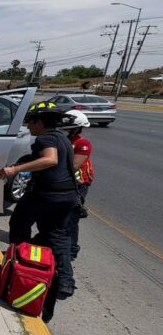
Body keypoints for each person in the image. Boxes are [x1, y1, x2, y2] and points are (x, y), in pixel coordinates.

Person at [0, 102, 80, 320]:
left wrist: (15, 169)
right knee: (57, 236)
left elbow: (50, 160)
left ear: (40, 122)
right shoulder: (62, 137)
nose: (28, 126)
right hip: (67, 195)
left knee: (19, 223)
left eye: (31, 122)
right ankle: (65, 282)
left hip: (46, 194)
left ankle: (18, 263)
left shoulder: (46, 138)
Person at [62, 109, 94, 262]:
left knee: (71, 218)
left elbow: (74, 166)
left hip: (78, 185)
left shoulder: (82, 143)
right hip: (65, 183)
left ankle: (71, 250)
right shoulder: (66, 139)